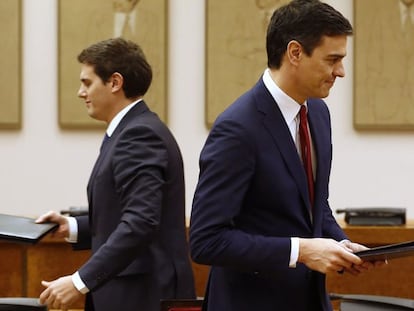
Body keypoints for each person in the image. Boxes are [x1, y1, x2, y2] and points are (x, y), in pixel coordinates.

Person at [189, 1, 381, 310]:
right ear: (295, 53)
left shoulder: (318, 113)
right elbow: (206, 241)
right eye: (332, 59)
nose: (341, 72)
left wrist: (339, 242)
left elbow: (313, 205)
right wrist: (301, 251)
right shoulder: (237, 128)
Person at [36, 37, 195, 311]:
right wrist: (72, 226)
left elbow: (141, 222)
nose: (80, 92)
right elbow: (126, 211)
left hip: (142, 296)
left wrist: (78, 282)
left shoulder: (139, 134)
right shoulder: (127, 131)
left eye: (87, 83)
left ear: (115, 83)